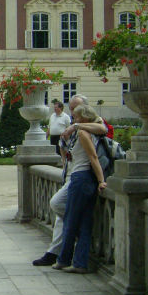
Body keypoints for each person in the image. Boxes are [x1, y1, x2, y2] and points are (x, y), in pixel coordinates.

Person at [32, 94, 107, 266]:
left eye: (76, 110)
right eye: (71, 109)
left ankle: (62, 256)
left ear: (85, 112)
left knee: (64, 211)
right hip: (72, 174)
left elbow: (95, 151)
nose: (72, 113)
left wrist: (75, 126)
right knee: (70, 218)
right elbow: (66, 155)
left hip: (81, 177)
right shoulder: (76, 129)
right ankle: (61, 255)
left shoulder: (86, 128)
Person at [52, 104, 107, 274]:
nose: (72, 118)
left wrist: (101, 180)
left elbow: (93, 157)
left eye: (75, 116)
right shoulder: (84, 131)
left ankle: (64, 259)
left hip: (81, 178)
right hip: (85, 179)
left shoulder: (83, 133)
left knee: (71, 220)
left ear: (82, 118)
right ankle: (79, 263)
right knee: (84, 222)